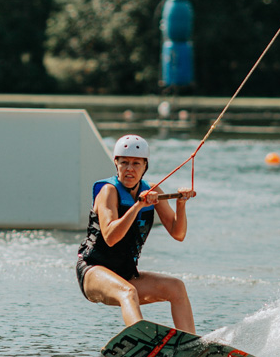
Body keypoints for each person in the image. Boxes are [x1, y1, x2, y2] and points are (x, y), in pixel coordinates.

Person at [76, 134, 196, 332]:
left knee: (177, 288)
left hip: (125, 273)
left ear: (144, 166)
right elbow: (111, 237)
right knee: (128, 292)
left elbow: (178, 233)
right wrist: (138, 206)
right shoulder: (108, 191)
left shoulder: (152, 190)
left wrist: (180, 205)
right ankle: (142, 339)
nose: (130, 169)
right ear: (116, 164)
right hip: (93, 271)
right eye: (124, 163)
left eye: (136, 164)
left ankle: (192, 347)